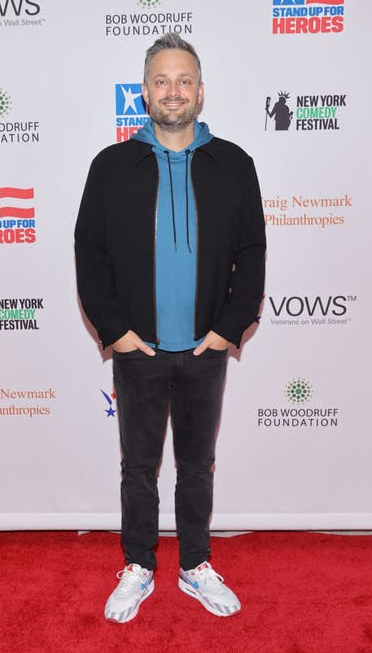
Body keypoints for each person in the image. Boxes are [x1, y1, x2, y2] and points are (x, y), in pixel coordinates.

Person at [74, 32, 266, 623]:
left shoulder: (234, 164)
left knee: (198, 465)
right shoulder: (111, 166)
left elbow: (253, 252)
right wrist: (117, 331)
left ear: (200, 91)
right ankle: (138, 564)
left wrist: (229, 329)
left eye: (184, 80)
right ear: (144, 92)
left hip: (207, 346)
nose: (173, 91)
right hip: (140, 348)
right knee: (138, 466)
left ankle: (194, 565)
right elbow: (90, 252)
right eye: (162, 80)